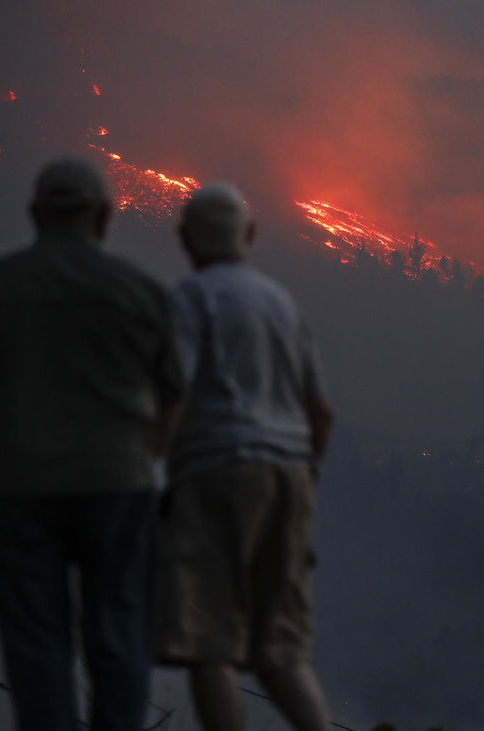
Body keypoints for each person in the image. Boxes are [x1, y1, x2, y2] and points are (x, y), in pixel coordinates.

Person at [0, 157, 185, 731]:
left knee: (36, 644)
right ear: (105, 217)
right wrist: (146, 458)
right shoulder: (141, 291)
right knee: (119, 640)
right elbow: (174, 399)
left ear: (36, 215)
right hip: (119, 486)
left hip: (19, 487)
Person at [157, 183, 335, 731]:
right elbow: (321, 413)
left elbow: (173, 394)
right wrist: (303, 482)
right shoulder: (282, 303)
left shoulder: (190, 297)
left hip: (217, 472)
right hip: (288, 476)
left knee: (211, 643)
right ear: (250, 235)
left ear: (185, 238)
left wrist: (150, 472)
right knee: (281, 651)